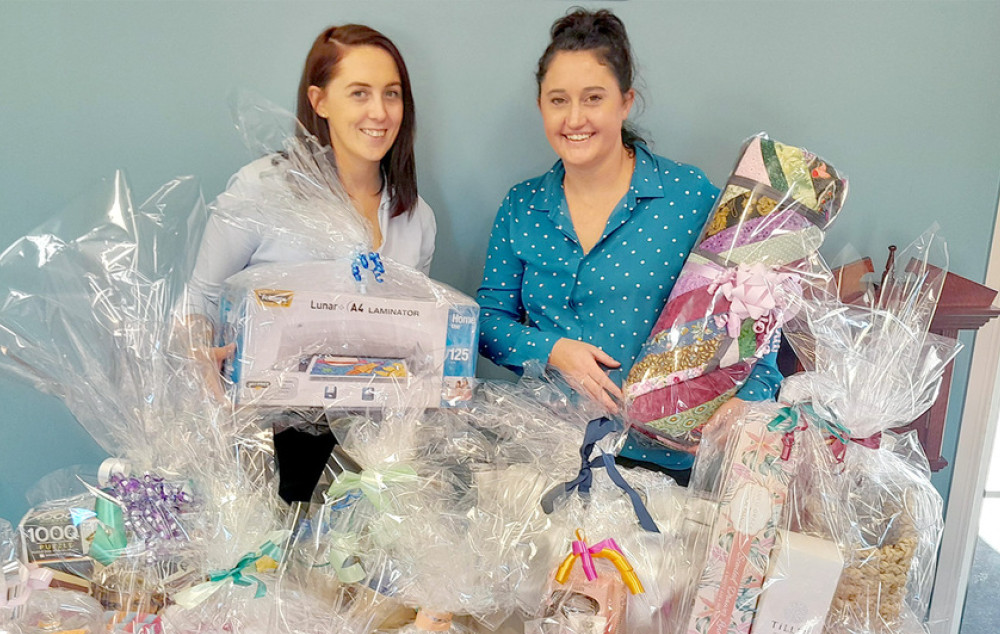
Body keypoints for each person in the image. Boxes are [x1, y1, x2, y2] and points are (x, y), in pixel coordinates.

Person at [475, 9, 780, 480]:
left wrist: (746, 401)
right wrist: (554, 350)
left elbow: (757, 316)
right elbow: (486, 322)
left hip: (666, 464)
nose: (574, 118)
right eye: (558, 100)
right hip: (547, 457)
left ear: (625, 102)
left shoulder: (687, 197)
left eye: (593, 98)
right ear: (540, 106)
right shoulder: (522, 206)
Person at [187, 24, 436, 502]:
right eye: (358, 93)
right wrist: (201, 357)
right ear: (320, 101)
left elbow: (411, 334)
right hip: (259, 443)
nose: (379, 113)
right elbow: (199, 297)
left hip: (369, 454)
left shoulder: (416, 219)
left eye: (392, 94)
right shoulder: (262, 190)